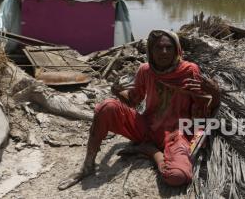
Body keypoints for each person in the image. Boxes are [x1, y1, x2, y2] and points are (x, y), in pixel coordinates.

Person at [58, 29, 220, 190]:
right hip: (147, 127)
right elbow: (134, 100)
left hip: (177, 134)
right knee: (105, 107)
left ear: (176, 49)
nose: (164, 52)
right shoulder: (145, 70)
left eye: (168, 47)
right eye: (158, 47)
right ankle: (88, 166)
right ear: (150, 49)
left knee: (177, 176)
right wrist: (117, 90)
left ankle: (150, 151)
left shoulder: (189, 70)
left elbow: (204, 111)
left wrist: (214, 94)